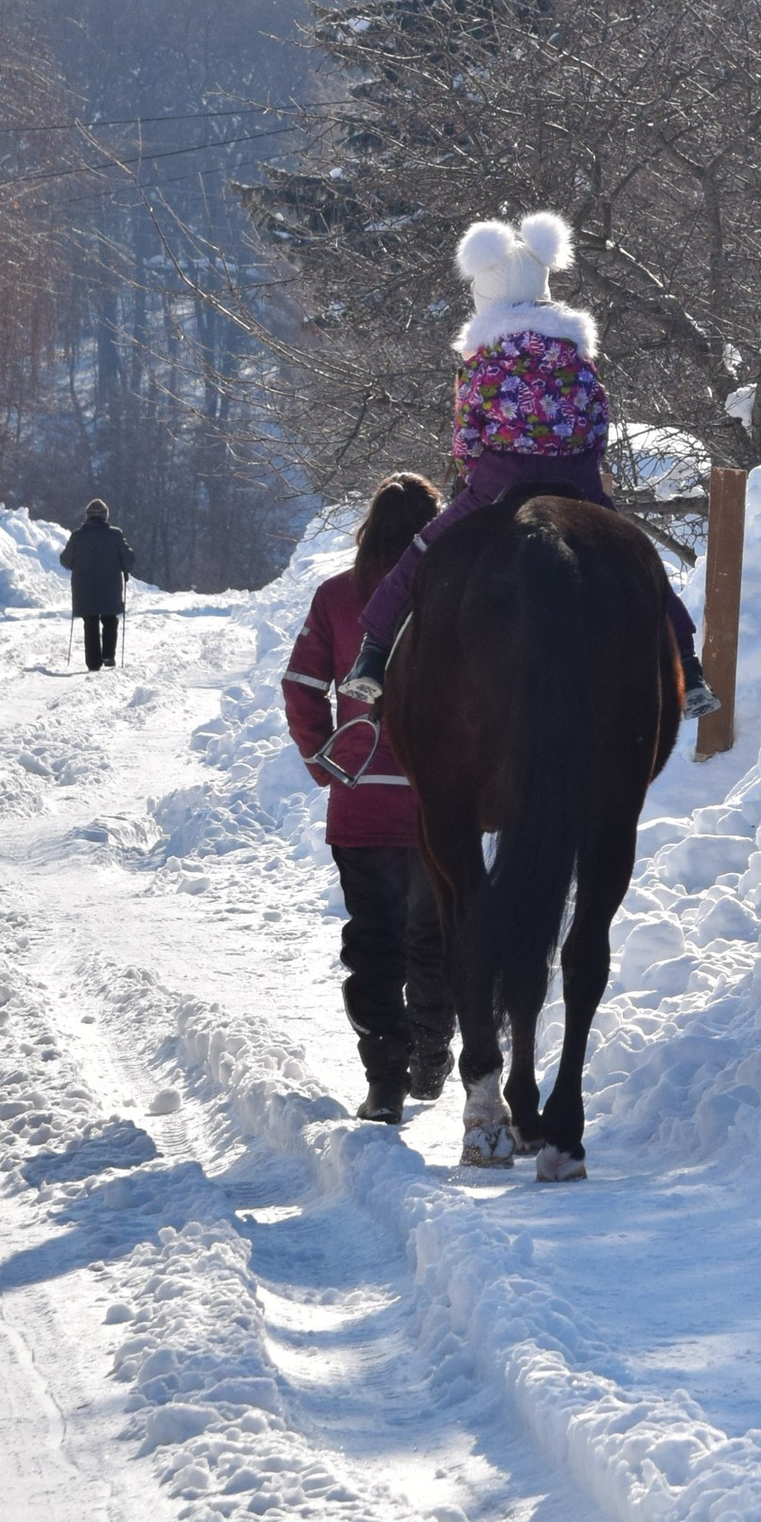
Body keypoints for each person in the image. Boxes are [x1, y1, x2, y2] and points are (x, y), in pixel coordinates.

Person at [336, 212, 712, 720]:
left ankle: (373, 654)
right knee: (640, 559)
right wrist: (583, 464)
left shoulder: (482, 363)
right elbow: (598, 420)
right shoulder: (577, 358)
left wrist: (473, 468)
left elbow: (466, 437)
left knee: (422, 553)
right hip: (576, 476)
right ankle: (689, 667)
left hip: (499, 479)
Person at [283, 472, 458, 1124]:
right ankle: (432, 1055)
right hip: (439, 801)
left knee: (375, 944)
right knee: (435, 936)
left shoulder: (337, 596)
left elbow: (302, 685)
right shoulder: (454, 590)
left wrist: (323, 760)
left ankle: (385, 1081)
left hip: (361, 802)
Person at [59, 497, 133, 671]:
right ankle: (108, 655)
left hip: (84, 588)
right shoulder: (115, 535)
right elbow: (129, 559)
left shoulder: (78, 536)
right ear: (105, 516)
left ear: (87, 516)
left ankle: (93, 662)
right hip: (110, 587)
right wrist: (124, 566)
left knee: (90, 621)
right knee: (110, 619)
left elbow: (65, 560)